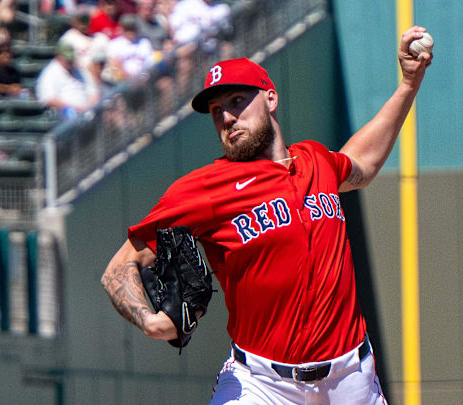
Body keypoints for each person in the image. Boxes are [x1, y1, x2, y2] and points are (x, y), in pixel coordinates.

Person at [101, 26, 432, 404]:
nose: (227, 116)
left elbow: (363, 162)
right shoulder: (206, 188)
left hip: (350, 378)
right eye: (216, 111)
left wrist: (408, 84)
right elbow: (118, 268)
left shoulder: (315, 160)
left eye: (238, 100)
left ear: (271, 98)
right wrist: (148, 320)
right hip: (261, 384)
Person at [36, 42, 98, 118]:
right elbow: (48, 99)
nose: (70, 61)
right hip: (64, 117)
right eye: (67, 59)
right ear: (58, 57)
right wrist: (76, 108)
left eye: (71, 59)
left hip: (87, 114)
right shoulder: (50, 73)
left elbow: (93, 92)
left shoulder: (79, 70)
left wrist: (89, 107)